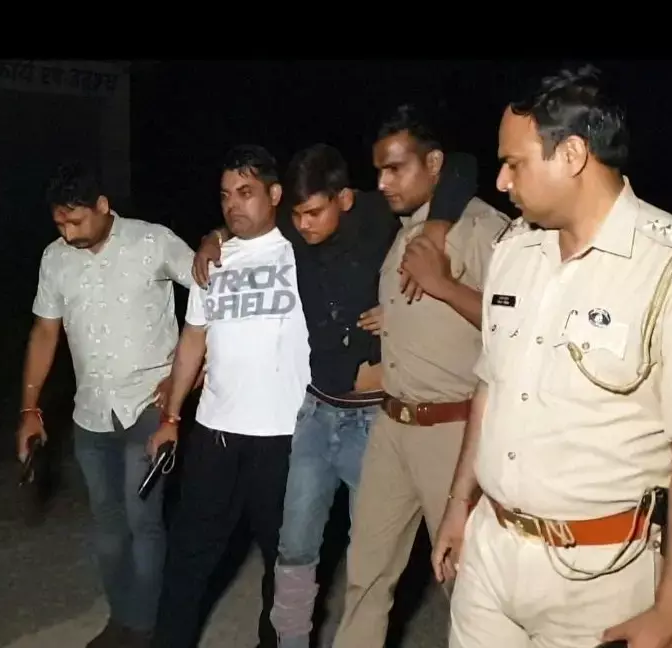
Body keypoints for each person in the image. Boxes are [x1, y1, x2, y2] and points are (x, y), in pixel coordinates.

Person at [436, 65, 672, 648]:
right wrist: (459, 506)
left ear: (573, 154)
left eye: (514, 163)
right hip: (490, 552)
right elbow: (491, 387)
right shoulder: (514, 250)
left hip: (600, 577)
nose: (501, 181)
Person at [191, 141, 481, 647]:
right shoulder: (293, 229)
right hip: (316, 413)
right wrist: (212, 237)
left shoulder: (376, 217)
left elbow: (462, 164)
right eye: (296, 214)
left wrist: (421, 263)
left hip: (372, 422)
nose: (303, 225)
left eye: (314, 213)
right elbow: (240, 221)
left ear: (344, 199)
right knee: (294, 551)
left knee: (377, 559)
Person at [332, 106, 509, 648]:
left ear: (434, 164)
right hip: (391, 425)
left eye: (395, 169)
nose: (383, 183)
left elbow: (519, 328)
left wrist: (444, 287)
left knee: (466, 583)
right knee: (365, 574)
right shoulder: (406, 229)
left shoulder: (483, 229)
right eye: (378, 171)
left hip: (451, 430)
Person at [17, 162, 195, 648]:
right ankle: (124, 617)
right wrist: (29, 409)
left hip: (148, 407)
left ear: (102, 206)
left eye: (76, 221)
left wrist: (187, 377)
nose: (68, 233)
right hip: (90, 414)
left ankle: (145, 628)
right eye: (59, 223)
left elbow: (211, 298)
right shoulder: (54, 259)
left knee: (143, 521)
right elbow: (45, 332)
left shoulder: (153, 241)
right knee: (108, 527)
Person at [149, 145, 311, 648]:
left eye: (245, 192)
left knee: (283, 565)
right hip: (215, 433)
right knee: (187, 557)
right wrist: (171, 417)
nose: (233, 205)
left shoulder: (303, 251)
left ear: (276, 194)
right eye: (225, 196)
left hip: (286, 437)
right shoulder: (212, 262)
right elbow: (192, 339)